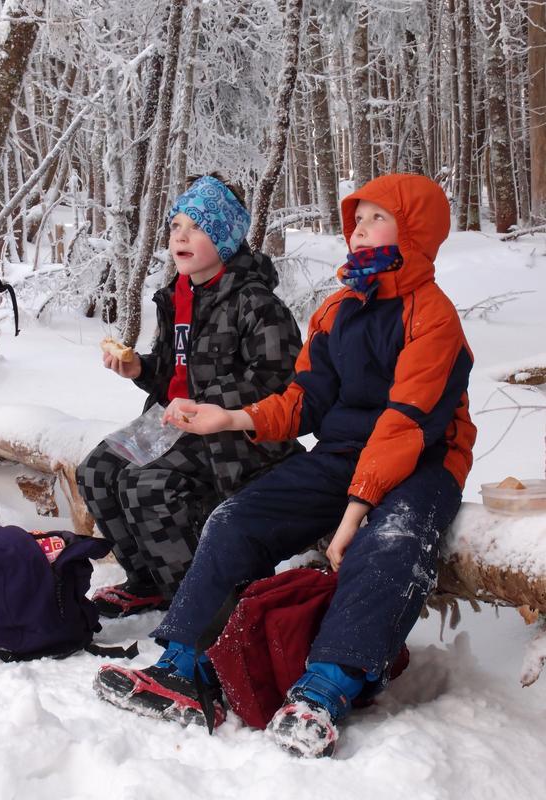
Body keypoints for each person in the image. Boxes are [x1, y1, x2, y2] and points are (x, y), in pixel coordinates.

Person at [92, 173, 476, 758]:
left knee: (385, 545)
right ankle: (184, 665)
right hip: (345, 454)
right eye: (357, 217)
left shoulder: (433, 317)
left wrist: (353, 517)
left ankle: (326, 688)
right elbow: (304, 401)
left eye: (377, 218)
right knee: (235, 519)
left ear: (414, 231)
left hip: (423, 460)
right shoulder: (339, 309)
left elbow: (404, 423)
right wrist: (232, 419)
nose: (358, 229)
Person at [76, 174, 303, 617]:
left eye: (195, 227)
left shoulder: (256, 303)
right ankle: (148, 582)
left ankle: (198, 605)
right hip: (174, 424)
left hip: (236, 437)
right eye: (175, 225)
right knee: (96, 472)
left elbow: (280, 382)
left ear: (224, 236)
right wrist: (140, 368)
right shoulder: (177, 297)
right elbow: (172, 377)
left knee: (145, 485)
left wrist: (210, 402)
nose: (180, 236)